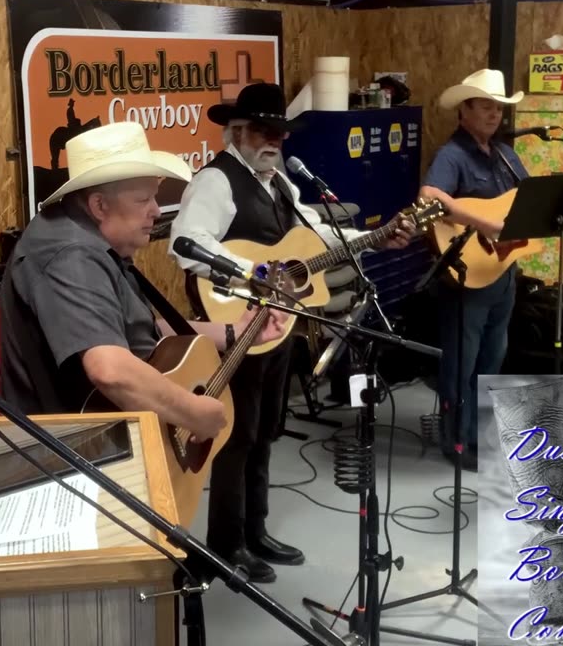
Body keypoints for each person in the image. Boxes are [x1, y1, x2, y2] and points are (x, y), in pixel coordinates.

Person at [168, 83, 414, 583]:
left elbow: (315, 238)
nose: (273, 140)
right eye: (262, 130)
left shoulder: (280, 181)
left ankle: (254, 531)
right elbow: (186, 243)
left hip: (277, 326)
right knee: (236, 436)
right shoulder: (216, 181)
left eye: (278, 132)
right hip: (237, 322)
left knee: (264, 432)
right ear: (236, 131)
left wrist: (375, 239)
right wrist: (254, 272)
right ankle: (226, 544)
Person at [0, 121, 286, 443]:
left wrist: (237, 332)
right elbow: (111, 370)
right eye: (143, 199)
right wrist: (193, 412)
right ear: (99, 205)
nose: (155, 210)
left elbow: (134, 331)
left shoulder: (89, 240)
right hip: (75, 455)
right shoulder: (71, 257)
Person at [418, 68, 529, 472]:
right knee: (462, 362)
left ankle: (480, 433)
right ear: (464, 110)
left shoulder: (504, 154)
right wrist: (484, 223)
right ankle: (457, 440)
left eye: (498, 108)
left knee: (492, 358)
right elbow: (430, 196)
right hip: (469, 273)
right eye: (485, 106)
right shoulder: (452, 155)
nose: (494, 114)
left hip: (502, 271)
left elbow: (526, 197)